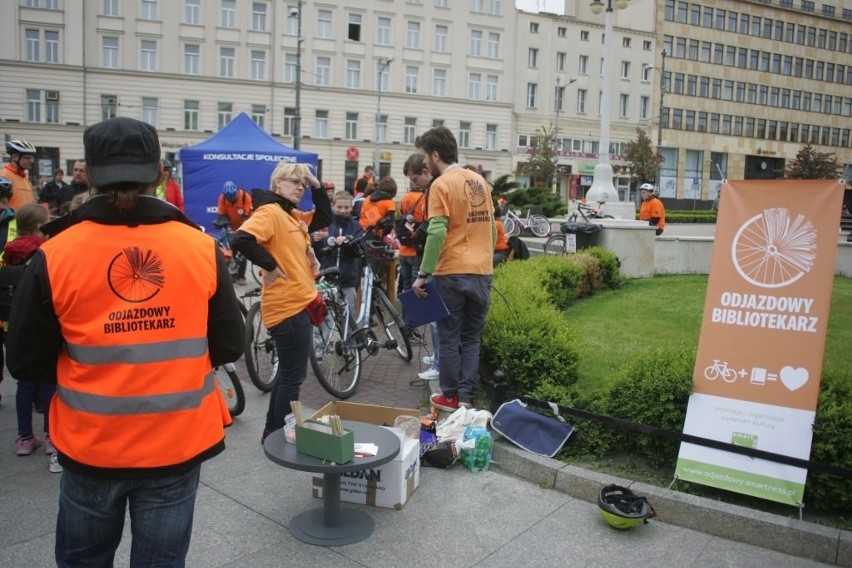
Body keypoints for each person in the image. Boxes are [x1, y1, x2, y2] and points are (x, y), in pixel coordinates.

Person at [5, 116, 245, 567]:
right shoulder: (199, 248)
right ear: (158, 172)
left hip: (91, 445)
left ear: (90, 175)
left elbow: (25, 362)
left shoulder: (55, 254)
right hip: (175, 444)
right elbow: (230, 346)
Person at [230, 162, 332, 443]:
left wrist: (314, 182)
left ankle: (272, 432)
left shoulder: (290, 215)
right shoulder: (271, 212)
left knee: (288, 375)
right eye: (294, 181)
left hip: (296, 303)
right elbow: (240, 239)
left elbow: (324, 217)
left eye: (302, 183)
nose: (300, 186)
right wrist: (270, 266)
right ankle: (281, 433)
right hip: (287, 306)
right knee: (293, 378)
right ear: (277, 184)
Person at [413, 126, 495, 411]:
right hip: (482, 271)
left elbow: (436, 232)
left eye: (424, 156)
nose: (423, 162)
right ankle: (467, 396)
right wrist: (486, 260)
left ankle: (449, 396)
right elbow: (491, 230)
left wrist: (423, 274)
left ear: (436, 155)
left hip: (451, 271)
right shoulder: (479, 181)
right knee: (472, 338)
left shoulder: (441, 185)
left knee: (449, 337)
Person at [2, 204, 59, 471]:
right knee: (48, 382)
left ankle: (24, 438)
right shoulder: (44, 252)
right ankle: (50, 436)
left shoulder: (7, 251)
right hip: (39, 324)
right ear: (39, 227)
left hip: (11, 323)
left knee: (24, 382)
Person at [402, 153, 441, 381]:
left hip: (434, 261)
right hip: (429, 258)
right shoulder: (430, 190)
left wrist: (424, 272)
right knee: (434, 315)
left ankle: (439, 362)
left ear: (425, 172)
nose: (415, 186)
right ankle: (437, 357)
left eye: (416, 180)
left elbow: (436, 228)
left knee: (436, 316)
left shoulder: (436, 189)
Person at [319, 191, 363, 315]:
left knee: (348, 317)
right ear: (333, 206)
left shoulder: (356, 226)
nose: (343, 210)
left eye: (346, 207)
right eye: (339, 207)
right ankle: (320, 335)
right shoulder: (325, 224)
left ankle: (349, 335)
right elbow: (315, 249)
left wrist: (348, 240)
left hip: (348, 279)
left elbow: (359, 250)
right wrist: (315, 238)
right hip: (326, 279)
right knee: (324, 318)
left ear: (351, 207)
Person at [216, 180, 252, 284]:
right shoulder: (222, 198)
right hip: (231, 227)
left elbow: (247, 216)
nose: (231, 200)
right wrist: (227, 227)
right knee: (230, 251)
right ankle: (231, 276)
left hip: (243, 226)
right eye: (229, 198)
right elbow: (222, 215)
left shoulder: (245, 197)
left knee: (242, 252)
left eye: (233, 198)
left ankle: (241, 277)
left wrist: (241, 230)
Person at [1, 139, 37, 212]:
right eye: (27, 158)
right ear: (15, 157)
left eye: (32, 158)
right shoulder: (3, 176)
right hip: (10, 222)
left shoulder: (26, 180)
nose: (31, 161)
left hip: (24, 222)